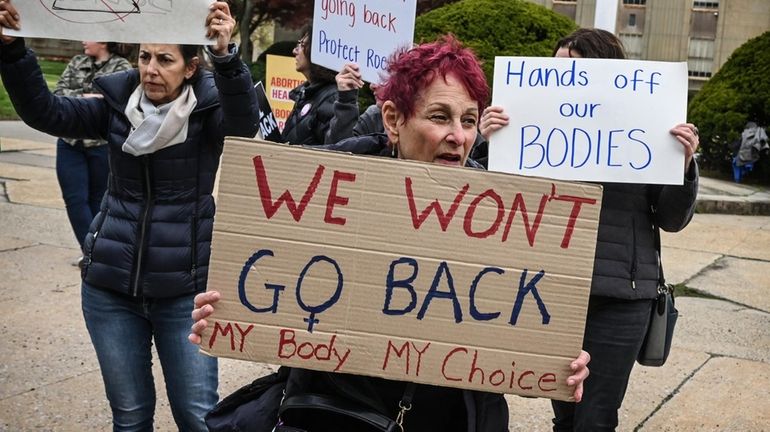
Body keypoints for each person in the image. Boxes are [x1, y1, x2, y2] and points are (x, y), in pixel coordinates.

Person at [189, 35, 591, 432]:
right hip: (335, 412)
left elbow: (517, 324)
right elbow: (268, 281)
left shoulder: (501, 218)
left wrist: (555, 360)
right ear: (393, 120)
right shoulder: (326, 191)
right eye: (439, 117)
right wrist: (222, 309)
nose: (459, 135)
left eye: (469, 120)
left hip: (447, 417)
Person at [0, 2, 259, 431]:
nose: (151, 69)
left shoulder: (211, 113)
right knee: (130, 416)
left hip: (184, 294)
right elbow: (46, 112)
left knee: (197, 418)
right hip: (110, 291)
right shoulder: (115, 105)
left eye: (165, 59)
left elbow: (244, 128)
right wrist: (12, 52)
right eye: (144, 57)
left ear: (191, 68)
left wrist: (227, 57)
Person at [478, 28, 700, 432]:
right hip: (551, 289)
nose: (563, 83)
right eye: (557, 71)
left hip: (621, 296)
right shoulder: (532, 127)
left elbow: (671, 219)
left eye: (575, 72)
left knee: (596, 416)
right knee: (564, 409)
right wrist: (488, 141)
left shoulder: (648, 129)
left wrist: (682, 167)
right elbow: (489, 198)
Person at [53, 41, 132, 266]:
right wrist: (93, 97)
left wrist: (79, 99)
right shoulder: (77, 61)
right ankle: (91, 252)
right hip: (69, 142)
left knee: (99, 200)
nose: (83, 41)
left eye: (89, 37)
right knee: (74, 199)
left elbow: (119, 102)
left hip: (101, 144)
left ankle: (96, 253)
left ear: (104, 40)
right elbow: (59, 93)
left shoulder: (121, 66)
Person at [281, 24, 346, 145]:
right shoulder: (307, 94)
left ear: (316, 51)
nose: (294, 51)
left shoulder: (331, 98)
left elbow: (333, 150)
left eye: (302, 44)